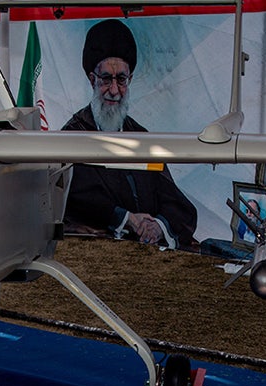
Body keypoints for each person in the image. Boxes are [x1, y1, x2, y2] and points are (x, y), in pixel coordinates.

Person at [61, 19, 197, 250]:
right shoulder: (73, 136)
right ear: (92, 79)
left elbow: (176, 202)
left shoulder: (141, 138)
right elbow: (77, 199)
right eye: (106, 79)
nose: (114, 90)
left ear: (130, 80)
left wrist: (158, 226)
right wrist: (127, 219)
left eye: (121, 80)